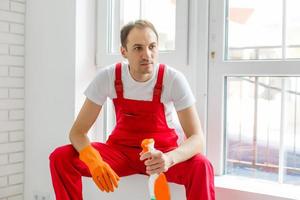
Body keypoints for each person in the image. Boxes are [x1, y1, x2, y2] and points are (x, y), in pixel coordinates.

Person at [49, 19, 215, 200]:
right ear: (124, 52)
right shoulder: (109, 76)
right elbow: (77, 132)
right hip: (120, 153)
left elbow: (197, 138)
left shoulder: (173, 79)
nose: (147, 55)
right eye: (138, 48)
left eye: (152, 47)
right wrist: (94, 161)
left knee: (202, 165)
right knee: (61, 157)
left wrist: (169, 159)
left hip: (160, 154)